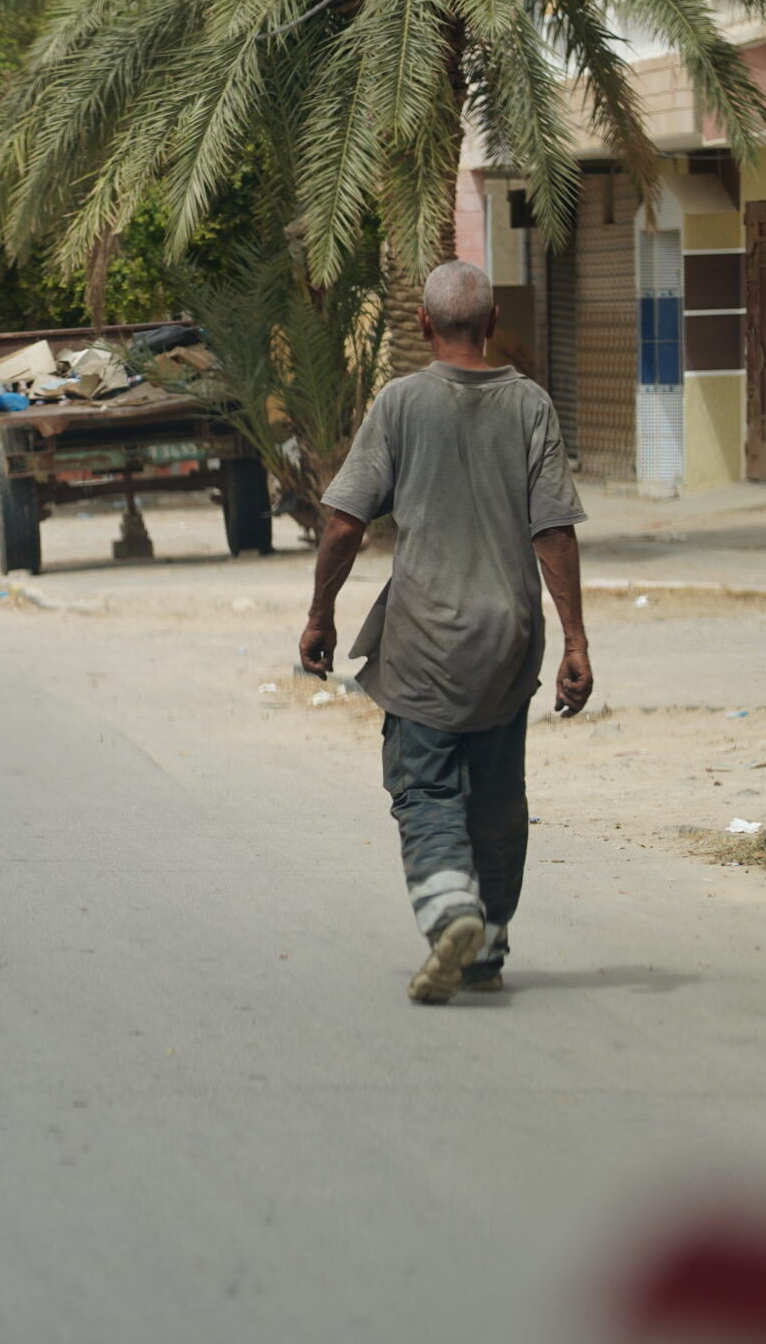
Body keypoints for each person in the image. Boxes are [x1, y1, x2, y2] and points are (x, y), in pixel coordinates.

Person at [299, 260, 591, 1004]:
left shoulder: (400, 403)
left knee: (424, 786)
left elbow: (342, 524)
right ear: (493, 324)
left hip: (426, 638)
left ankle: (452, 911)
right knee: (496, 794)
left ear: (424, 326)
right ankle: (487, 946)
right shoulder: (531, 405)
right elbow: (553, 529)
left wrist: (321, 612)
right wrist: (575, 642)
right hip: (508, 638)